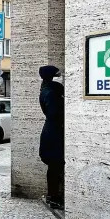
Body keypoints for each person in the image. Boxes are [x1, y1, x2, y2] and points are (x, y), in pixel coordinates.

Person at [39, 65, 65, 210]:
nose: (60, 76)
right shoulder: (50, 92)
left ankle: (53, 196)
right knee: (55, 166)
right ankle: (54, 197)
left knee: (54, 167)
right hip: (54, 132)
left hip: (51, 130)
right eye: (57, 74)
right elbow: (55, 113)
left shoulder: (48, 88)